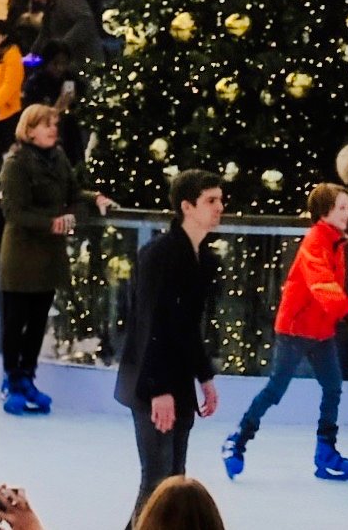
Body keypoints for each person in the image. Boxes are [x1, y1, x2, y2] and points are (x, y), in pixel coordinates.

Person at [238, 179, 348, 482]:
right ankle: (238, 440)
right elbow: (322, 284)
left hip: (320, 330)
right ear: (324, 213)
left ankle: (326, 450)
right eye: (342, 208)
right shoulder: (315, 242)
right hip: (295, 330)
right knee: (277, 389)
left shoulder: (336, 242)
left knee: (333, 385)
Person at [119, 177, 234, 494]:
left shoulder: (203, 260)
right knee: (159, 484)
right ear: (186, 206)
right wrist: (159, 390)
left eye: (220, 200)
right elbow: (150, 325)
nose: (220, 208)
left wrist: (205, 378)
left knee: (173, 483)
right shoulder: (159, 255)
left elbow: (188, 328)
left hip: (178, 381)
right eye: (211, 201)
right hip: (151, 380)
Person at [0, 98, 93, 418]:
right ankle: (12, 378)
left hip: (49, 255)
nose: (53, 129)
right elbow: (15, 211)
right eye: (46, 124)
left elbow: (75, 195)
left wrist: (73, 216)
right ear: (30, 130)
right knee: (16, 321)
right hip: (22, 254)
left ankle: (28, 376)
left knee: (37, 321)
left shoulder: (60, 158)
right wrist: (52, 222)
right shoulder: (17, 163)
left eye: (54, 125)